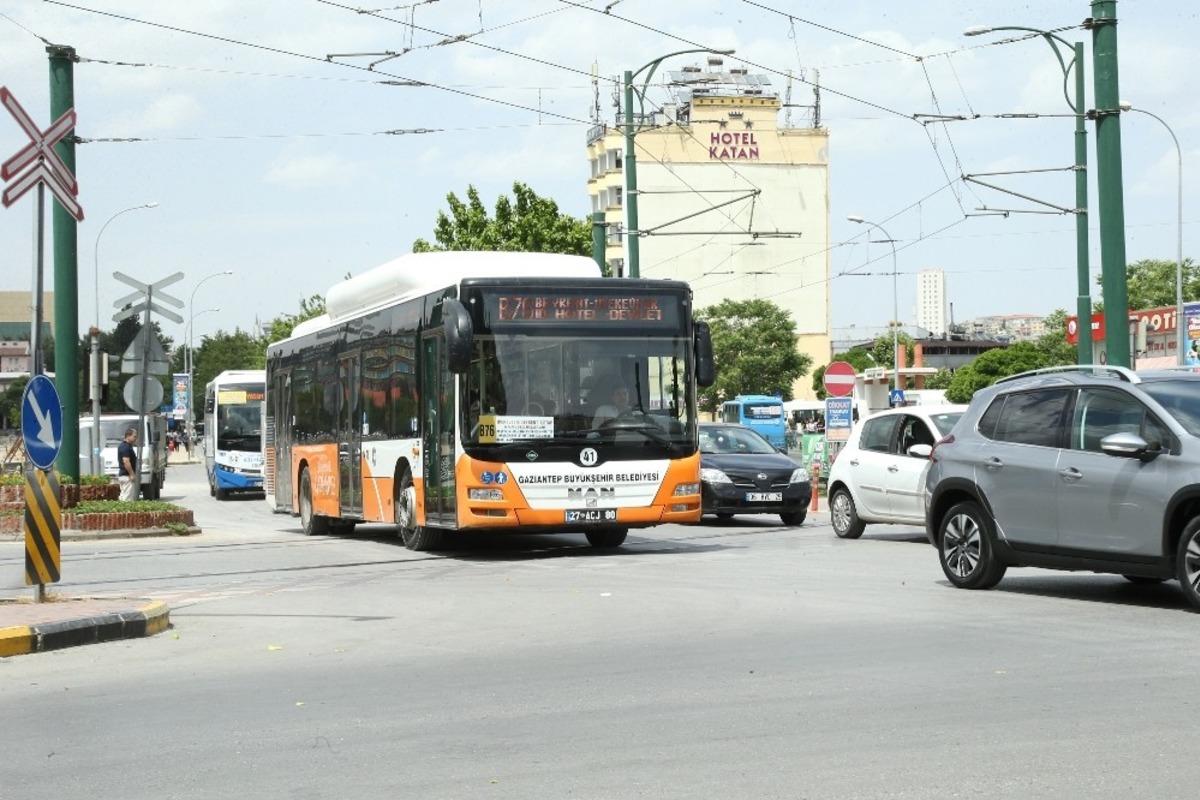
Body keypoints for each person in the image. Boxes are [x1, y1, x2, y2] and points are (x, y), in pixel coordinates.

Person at [117, 427, 139, 502]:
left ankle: (121, 512)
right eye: (134, 436)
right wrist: (132, 474)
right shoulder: (125, 447)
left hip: (125, 476)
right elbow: (126, 461)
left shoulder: (127, 446)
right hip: (127, 476)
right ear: (128, 436)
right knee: (127, 499)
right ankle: (125, 513)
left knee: (123, 497)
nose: (136, 438)